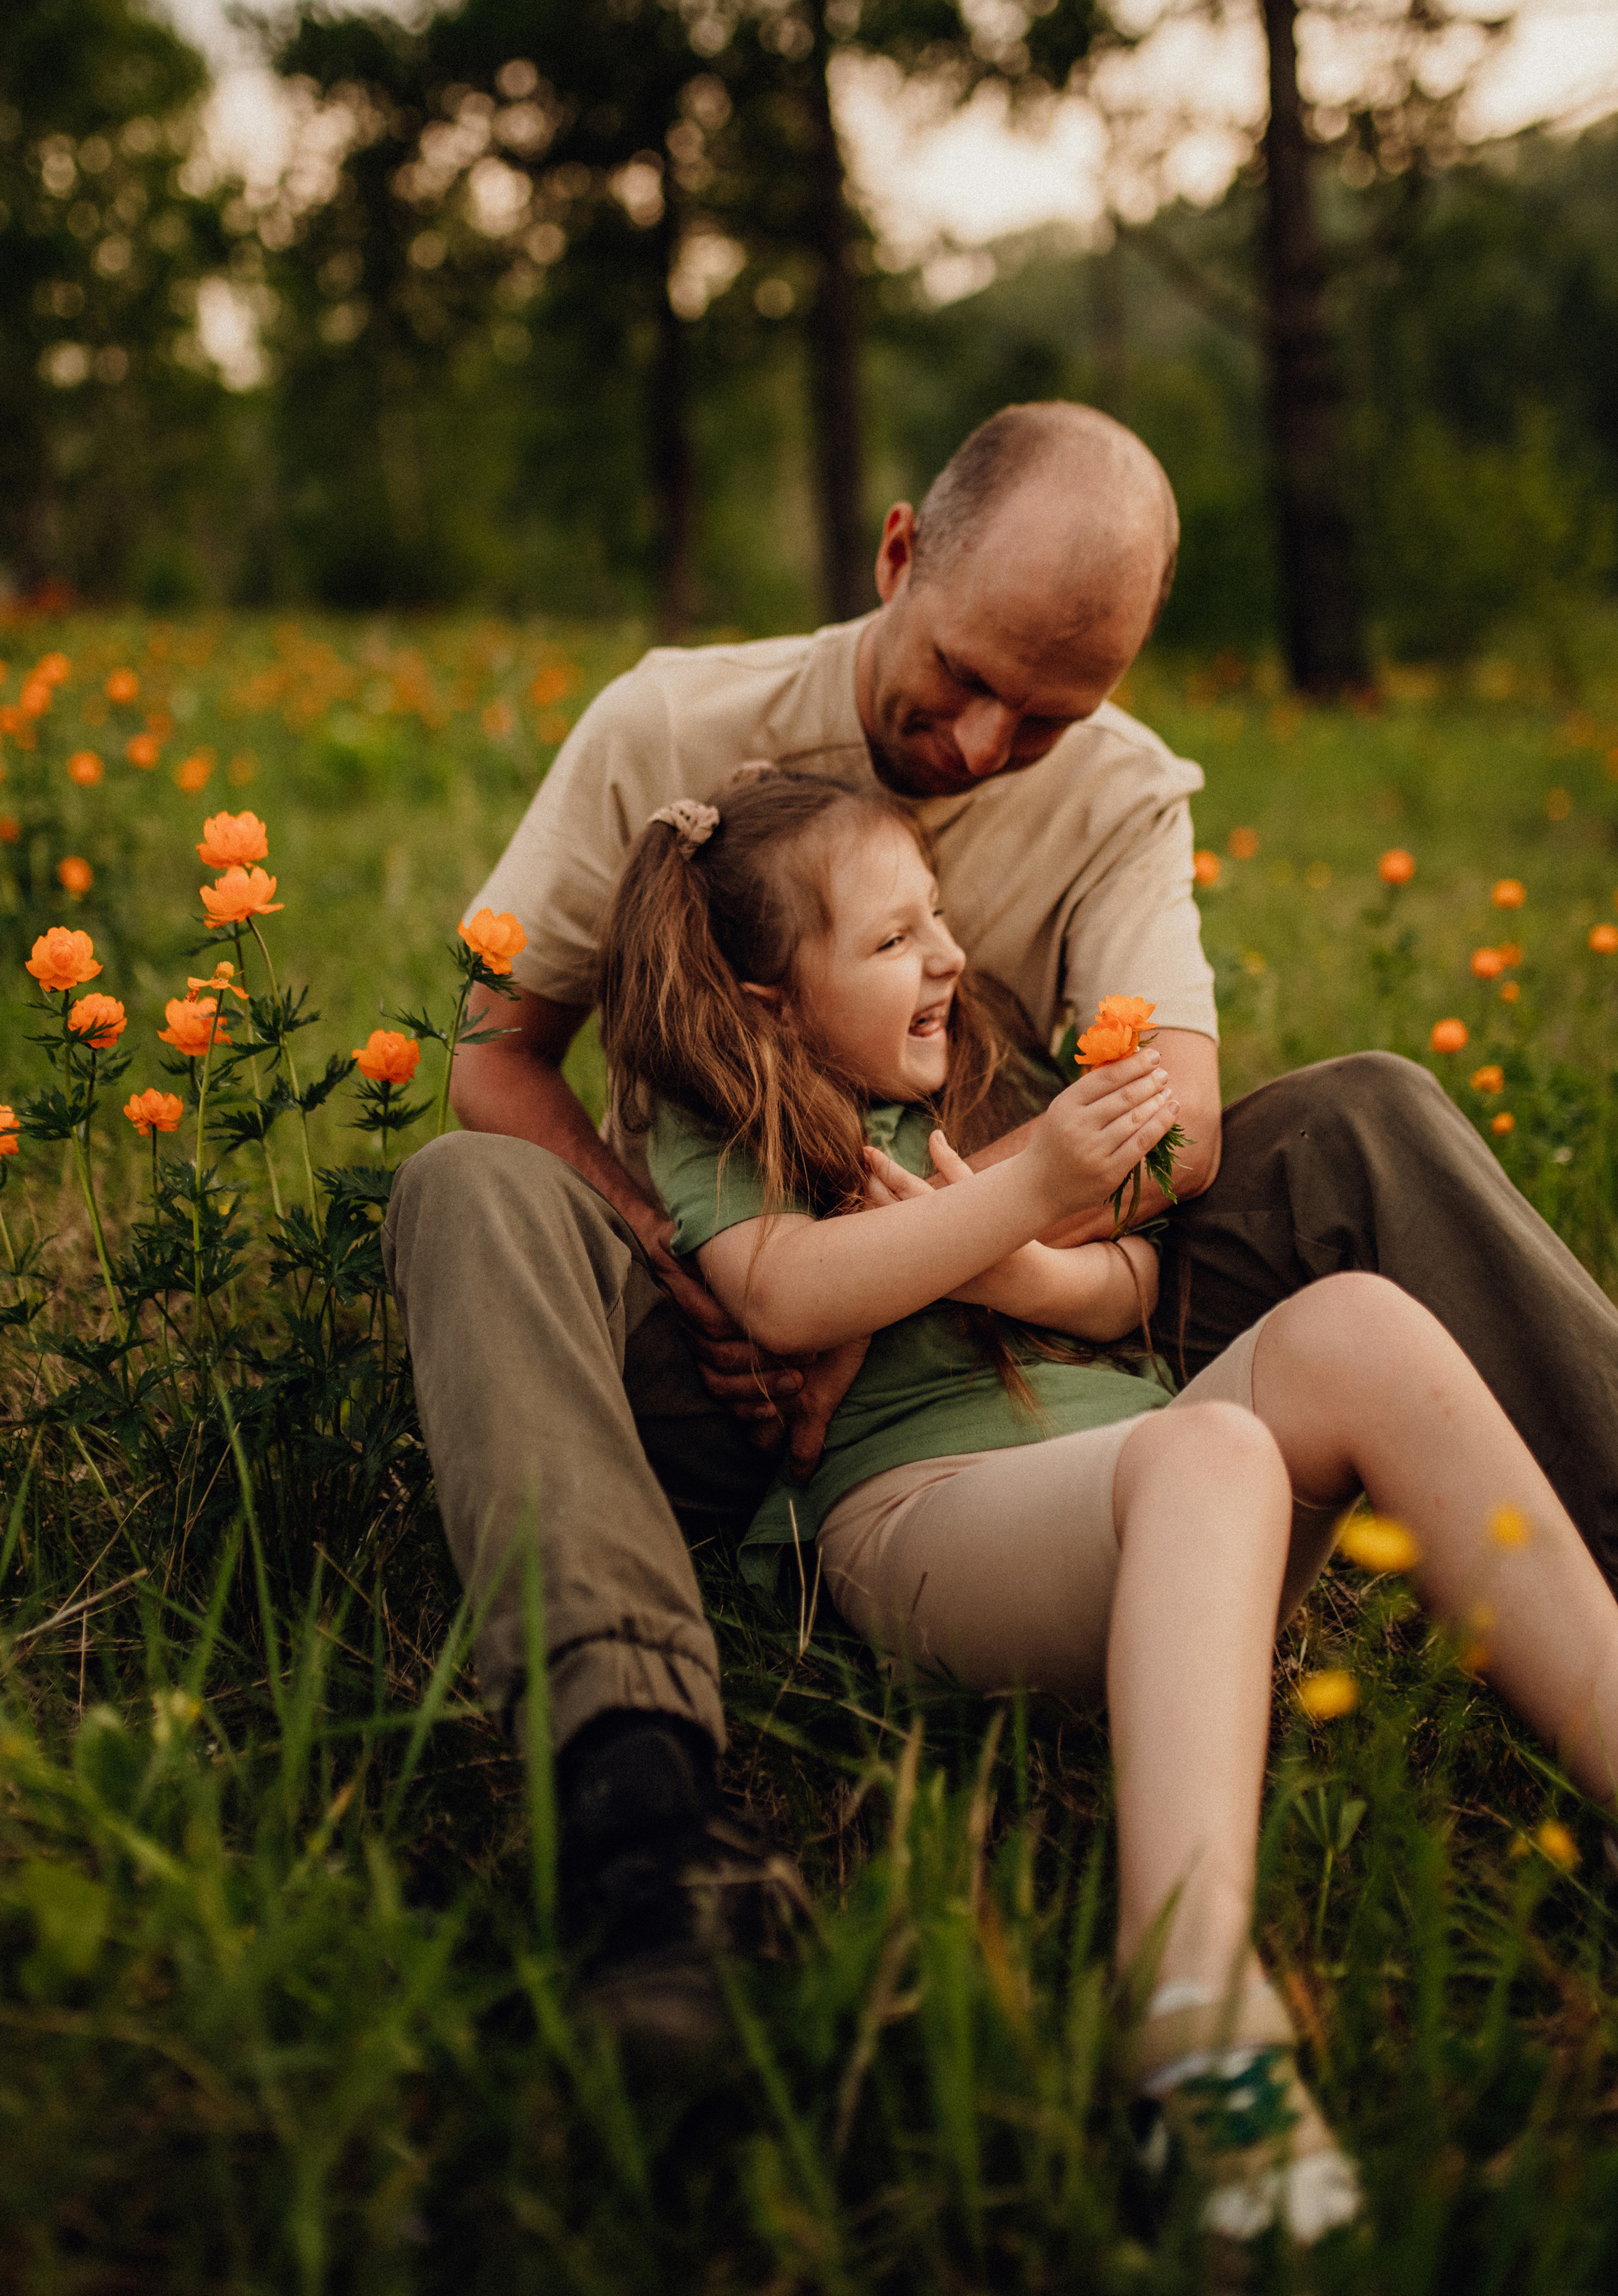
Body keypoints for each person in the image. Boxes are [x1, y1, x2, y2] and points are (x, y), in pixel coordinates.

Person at [380, 399, 1618, 2052]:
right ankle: (642, 1800)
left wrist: (1008, 1235)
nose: (975, 745)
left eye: (1042, 715)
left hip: (1014, 1305)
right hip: (710, 1355)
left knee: (1366, 1115)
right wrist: (715, 1291)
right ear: (897, 553)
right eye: (956, 679)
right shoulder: (673, 726)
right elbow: (494, 1065)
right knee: (464, 1191)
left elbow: (1174, 1107)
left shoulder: (1115, 792)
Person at [594, 764, 1618, 2241]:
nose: (946, 957)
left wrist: (1018, 1261)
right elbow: (779, 1294)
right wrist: (1011, 1200)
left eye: (935, 919)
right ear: (766, 1002)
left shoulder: (962, 1092)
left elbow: (1135, 1286)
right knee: (1207, 1456)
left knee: (1354, 1327)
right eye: (891, 944)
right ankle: (1187, 2007)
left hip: (1147, 1466)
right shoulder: (722, 1127)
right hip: (924, 1512)